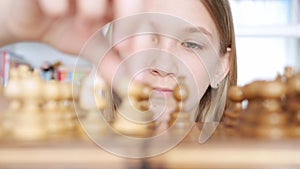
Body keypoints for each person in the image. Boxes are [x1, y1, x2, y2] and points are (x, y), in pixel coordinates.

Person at [0, 0, 237, 138]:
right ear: (113, 43)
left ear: (221, 67)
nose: (163, 66)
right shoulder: (44, 140)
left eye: (191, 44)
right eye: (143, 35)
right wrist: (8, 23)